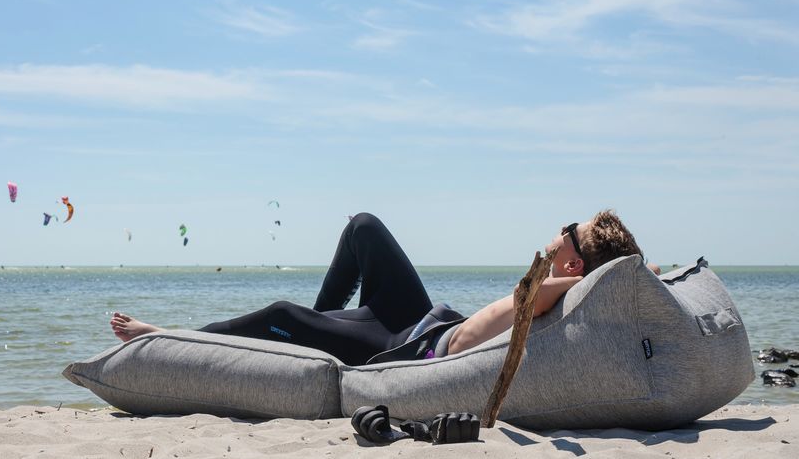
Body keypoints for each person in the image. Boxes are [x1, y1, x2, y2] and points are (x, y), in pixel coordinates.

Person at [110, 210, 645, 366]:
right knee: (363, 226)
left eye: (566, 231)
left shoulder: (551, 291)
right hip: (425, 318)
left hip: (405, 347)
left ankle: (170, 336)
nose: (556, 230)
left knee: (282, 313)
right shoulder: (557, 287)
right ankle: (312, 338)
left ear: (574, 263)